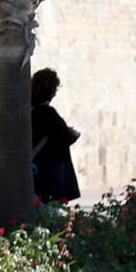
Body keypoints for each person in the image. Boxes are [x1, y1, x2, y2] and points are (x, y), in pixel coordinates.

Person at [29, 68, 82, 204]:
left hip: (35, 167)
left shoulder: (29, 112)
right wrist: (73, 133)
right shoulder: (49, 113)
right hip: (51, 171)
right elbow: (66, 136)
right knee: (51, 208)